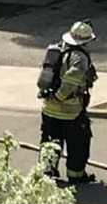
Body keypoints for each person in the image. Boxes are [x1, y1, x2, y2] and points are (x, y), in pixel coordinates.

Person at [40, 20, 98, 183]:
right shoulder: (79, 58)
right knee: (78, 144)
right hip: (70, 111)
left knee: (50, 141)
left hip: (48, 108)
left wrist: (52, 98)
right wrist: (59, 97)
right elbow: (70, 82)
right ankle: (76, 175)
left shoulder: (56, 49)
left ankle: (47, 172)